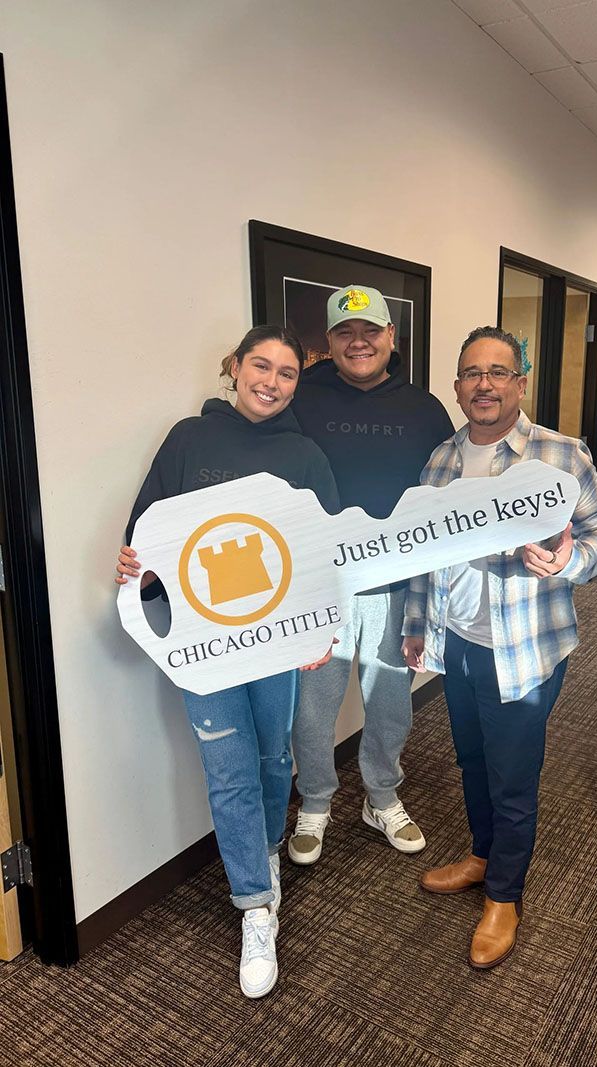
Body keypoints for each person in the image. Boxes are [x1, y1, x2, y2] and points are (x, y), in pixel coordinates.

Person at [115, 325, 339, 998]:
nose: (271, 380)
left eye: (287, 372)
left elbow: (325, 550)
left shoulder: (304, 454)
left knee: (274, 757)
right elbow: (146, 531)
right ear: (234, 367)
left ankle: (263, 855)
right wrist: (137, 565)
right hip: (203, 645)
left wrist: (322, 624)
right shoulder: (189, 439)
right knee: (228, 765)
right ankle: (255, 905)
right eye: (260, 365)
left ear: (298, 382)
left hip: (275, 641)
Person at [401, 325, 597, 970]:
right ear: (458, 386)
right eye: (473, 373)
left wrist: (567, 559)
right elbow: (421, 553)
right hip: (459, 642)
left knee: (513, 775)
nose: (485, 385)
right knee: (472, 761)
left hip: (524, 648)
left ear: (520, 382)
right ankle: (481, 854)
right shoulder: (440, 462)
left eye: (498, 372)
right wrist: (417, 624)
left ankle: (505, 894)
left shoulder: (558, 455)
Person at [288, 285, 454, 863]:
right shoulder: (300, 398)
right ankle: (314, 802)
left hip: (394, 581)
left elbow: (444, 496)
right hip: (319, 584)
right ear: (329, 342)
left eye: (370, 331)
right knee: (312, 705)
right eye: (344, 332)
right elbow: (255, 443)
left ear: (391, 337)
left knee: (390, 700)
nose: (358, 342)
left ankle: (381, 794)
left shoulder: (423, 408)